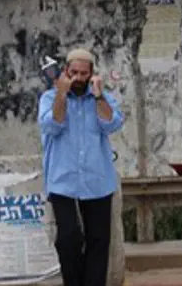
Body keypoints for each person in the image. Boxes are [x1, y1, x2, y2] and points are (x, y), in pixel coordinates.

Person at [38, 48, 124, 286]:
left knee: (99, 240)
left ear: (91, 74)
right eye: (73, 72)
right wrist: (62, 96)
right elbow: (52, 126)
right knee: (68, 239)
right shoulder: (49, 98)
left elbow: (112, 124)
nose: (78, 78)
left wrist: (98, 97)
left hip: (97, 180)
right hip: (63, 181)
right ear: (66, 71)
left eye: (83, 73)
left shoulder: (101, 98)